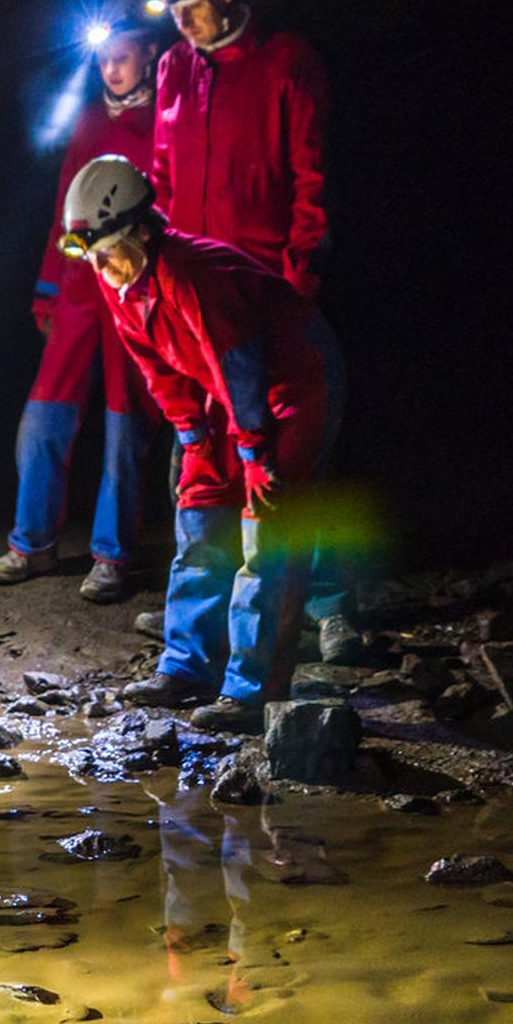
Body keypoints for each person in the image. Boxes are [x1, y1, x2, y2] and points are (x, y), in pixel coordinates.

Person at [140, 0, 362, 659]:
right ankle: (208, 617)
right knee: (201, 458)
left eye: (192, 6)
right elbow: (161, 181)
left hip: (266, 295)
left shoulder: (284, 63)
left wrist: (296, 285)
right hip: (196, 304)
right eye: (172, 11)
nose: (181, 23)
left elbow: (311, 182)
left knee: (291, 458)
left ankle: (327, 606)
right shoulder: (174, 69)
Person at [63, 155, 332, 732]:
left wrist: (254, 454)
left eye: (106, 251)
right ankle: (189, 666)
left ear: (141, 232)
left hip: (293, 381)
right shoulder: (119, 278)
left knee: (266, 529)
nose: (99, 266)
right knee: (199, 513)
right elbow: (159, 369)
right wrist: (193, 436)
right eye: (91, 255)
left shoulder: (190, 273)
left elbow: (238, 363)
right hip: (226, 389)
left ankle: (253, 691)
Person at [0, 17, 162, 600]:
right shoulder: (89, 120)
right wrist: (48, 287)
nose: (111, 68)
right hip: (81, 284)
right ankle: (31, 543)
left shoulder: (166, 117)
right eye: (104, 59)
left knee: (125, 419)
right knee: (45, 413)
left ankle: (112, 555)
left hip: (134, 282)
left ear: (148, 54)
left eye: (122, 56)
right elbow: (66, 209)